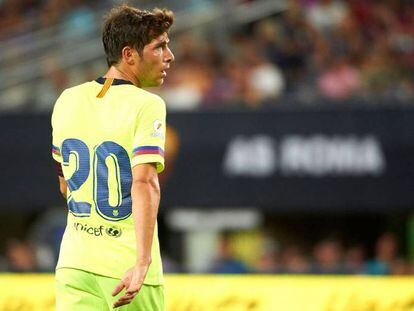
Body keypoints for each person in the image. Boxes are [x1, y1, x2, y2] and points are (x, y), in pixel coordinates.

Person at [51, 5, 174, 310]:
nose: (169, 56)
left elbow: (65, 186)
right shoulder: (147, 105)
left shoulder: (67, 99)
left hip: (74, 264)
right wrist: (142, 262)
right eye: (159, 47)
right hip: (125, 268)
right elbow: (145, 183)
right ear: (129, 55)